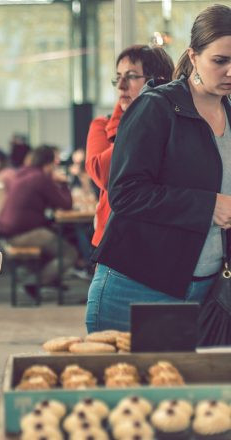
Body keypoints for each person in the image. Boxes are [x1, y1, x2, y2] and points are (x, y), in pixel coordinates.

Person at [86, 4, 231, 333]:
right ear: (193, 56)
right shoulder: (156, 107)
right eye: (220, 61)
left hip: (207, 288)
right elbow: (125, 193)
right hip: (138, 285)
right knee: (125, 383)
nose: (230, 72)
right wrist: (208, 206)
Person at [85, 44, 174, 247]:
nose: (121, 86)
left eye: (131, 76)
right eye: (118, 77)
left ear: (157, 81)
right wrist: (140, 116)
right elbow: (104, 173)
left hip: (157, 239)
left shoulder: (173, 124)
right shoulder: (102, 125)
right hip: (112, 241)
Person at [0, 145, 78, 296]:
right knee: (69, 253)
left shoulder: (22, 173)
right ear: (49, 163)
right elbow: (66, 205)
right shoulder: (40, 178)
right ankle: (34, 282)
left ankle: (48, 279)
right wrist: (63, 183)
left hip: (8, 230)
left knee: (55, 239)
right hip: (23, 234)